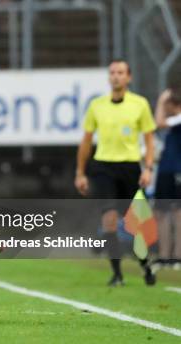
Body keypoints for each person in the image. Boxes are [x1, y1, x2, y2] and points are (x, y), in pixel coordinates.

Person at [74, 59, 156, 287]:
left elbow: (149, 141)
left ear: (128, 77)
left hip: (130, 168)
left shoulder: (140, 104)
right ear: (109, 77)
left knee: (136, 225)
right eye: (112, 72)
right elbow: (86, 141)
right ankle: (117, 273)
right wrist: (80, 172)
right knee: (109, 219)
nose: (116, 76)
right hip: (103, 168)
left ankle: (145, 265)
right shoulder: (97, 106)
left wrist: (148, 168)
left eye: (120, 72)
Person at [152, 88, 181, 272]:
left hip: (178, 170)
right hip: (165, 169)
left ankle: (178, 256)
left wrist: (161, 100)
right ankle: (164, 256)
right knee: (161, 212)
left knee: (178, 213)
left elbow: (158, 123)